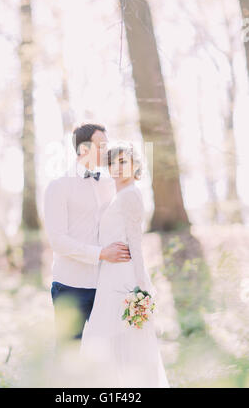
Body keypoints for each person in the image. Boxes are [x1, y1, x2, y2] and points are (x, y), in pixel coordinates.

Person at [80, 144, 169, 388]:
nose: (117, 168)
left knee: (126, 342)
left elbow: (136, 245)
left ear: (135, 166)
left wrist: (142, 289)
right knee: (107, 341)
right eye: (112, 163)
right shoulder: (118, 196)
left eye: (123, 162)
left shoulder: (131, 195)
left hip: (124, 279)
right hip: (108, 275)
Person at [44, 123, 131, 345]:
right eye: (101, 146)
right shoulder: (59, 186)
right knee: (69, 354)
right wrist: (101, 253)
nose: (107, 150)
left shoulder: (109, 184)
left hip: (105, 284)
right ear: (83, 149)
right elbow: (58, 241)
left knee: (106, 353)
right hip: (70, 285)